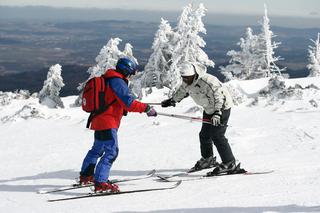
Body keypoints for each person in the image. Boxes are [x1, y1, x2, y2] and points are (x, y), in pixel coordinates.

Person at [79, 57, 157, 193]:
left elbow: (118, 101)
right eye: (132, 72)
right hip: (108, 122)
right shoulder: (117, 82)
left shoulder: (109, 78)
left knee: (97, 149)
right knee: (111, 152)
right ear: (126, 71)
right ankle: (101, 183)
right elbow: (129, 103)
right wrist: (146, 109)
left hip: (99, 120)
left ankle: (86, 176)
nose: (132, 75)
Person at [161, 62, 241, 175]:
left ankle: (230, 163)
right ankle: (208, 159)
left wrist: (218, 113)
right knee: (204, 135)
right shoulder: (187, 82)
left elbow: (219, 96)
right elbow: (182, 91)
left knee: (217, 135)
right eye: (184, 78)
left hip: (221, 108)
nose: (185, 80)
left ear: (194, 74)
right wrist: (172, 100)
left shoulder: (208, 81)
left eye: (188, 78)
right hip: (209, 108)